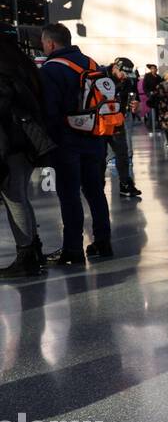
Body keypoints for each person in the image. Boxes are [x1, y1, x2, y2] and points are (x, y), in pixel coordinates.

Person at [38, 23, 112, 265]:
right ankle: (103, 242)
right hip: (95, 138)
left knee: (69, 196)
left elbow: (49, 111)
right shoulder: (92, 64)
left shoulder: (50, 70)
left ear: (50, 43)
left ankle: (73, 250)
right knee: (95, 192)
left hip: (67, 141)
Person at [0, 32, 49, 277]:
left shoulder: (4, 68)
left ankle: (26, 256)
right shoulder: (24, 64)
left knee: (14, 197)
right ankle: (33, 249)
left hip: (10, 142)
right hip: (29, 140)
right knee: (19, 195)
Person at [107, 58, 141, 199]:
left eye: (128, 74)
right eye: (123, 73)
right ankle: (95, 186)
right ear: (115, 67)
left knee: (122, 153)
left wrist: (136, 102)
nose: (125, 76)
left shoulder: (128, 81)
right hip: (99, 122)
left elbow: (135, 94)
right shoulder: (101, 76)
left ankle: (125, 184)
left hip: (118, 120)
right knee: (98, 157)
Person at [142, 63, 162, 134]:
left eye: (155, 68)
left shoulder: (159, 77)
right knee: (151, 112)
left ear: (156, 69)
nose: (153, 70)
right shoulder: (147, 76)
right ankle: (150, 126)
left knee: (158, 112)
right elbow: (144, 86)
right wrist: (148, 93)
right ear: (150, 69)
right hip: (150, 96)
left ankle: (159, 126)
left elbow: (161, 86)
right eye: (152, 68)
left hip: (158, 96)